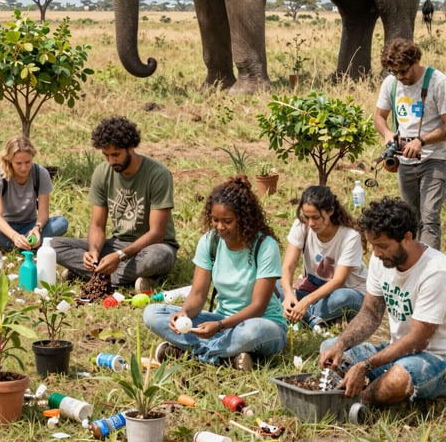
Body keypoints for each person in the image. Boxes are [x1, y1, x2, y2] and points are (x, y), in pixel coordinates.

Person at [143, 175, 287, 371]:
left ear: (244, 219)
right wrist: (184, 314)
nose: (220, 227)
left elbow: (258, 306)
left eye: (227, 221)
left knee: (252, 332)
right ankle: (226, 357)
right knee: (152, 313)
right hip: (220, 321)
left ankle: (194, 353)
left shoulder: (265, 246)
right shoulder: (210, 242)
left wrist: (219, 326)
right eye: (215, 220)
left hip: (261, 325)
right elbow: (198, 294)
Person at [319, 196, 446, 407]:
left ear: (407, 237)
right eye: (373, 245)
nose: (376, 253)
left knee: (396, 381)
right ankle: (369, 390)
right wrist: (341, 344)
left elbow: (417, 340)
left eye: (382, 246)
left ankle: (358, 399)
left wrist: (365, 366)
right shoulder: (382, 261)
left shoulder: (436, 271)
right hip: (398, 350)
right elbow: (370, 313)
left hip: (435, 358)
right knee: (330, 349)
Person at [53, 116, 177, 291]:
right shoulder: (102, 173)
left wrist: (120, 256)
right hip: (117, 244)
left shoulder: (158, 174)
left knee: (158, 257)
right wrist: (94, 251)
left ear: (131, 147)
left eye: (116, 155)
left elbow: (157, 233)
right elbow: (97, 225)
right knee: (53, 245)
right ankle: (113, 274)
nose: (111, 161)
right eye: (106, 156)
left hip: (151, 246)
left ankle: (86, 274)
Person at [374, 38, 446, 249]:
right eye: (394, 72)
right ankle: (411, 264)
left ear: (415, 61)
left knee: (430, 218)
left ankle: (429, 270)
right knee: (410, 219)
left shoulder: (437, 81)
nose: (400, 77)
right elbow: (379, 116)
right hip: (405, 162)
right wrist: (387, 134)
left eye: (403, 71)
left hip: (435, 158)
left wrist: (421, 141)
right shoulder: (392, 83)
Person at [278, 185, 367, 331]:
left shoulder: (350, 236)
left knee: (343, 298)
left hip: (346, 291)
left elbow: (338, 281)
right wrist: (288, 294)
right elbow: (287, 266)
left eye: (316, 218)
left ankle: (298, 317)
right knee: (273, 284)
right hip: (313, 288)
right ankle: (311, 319)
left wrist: (305, 302)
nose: (311, 223)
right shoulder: (302, 226)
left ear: (330, 211)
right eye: (307, 217)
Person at [0, 135, 68, 251]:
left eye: (27, 162)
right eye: (18, 163)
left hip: (30, 225)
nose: (24, 168)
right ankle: (27, 245)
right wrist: (14, 236)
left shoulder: (40, 174)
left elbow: (43, 213)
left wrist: (37, 228)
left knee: (61, 222)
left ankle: (16, 245)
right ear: (9, 160)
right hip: (3, 228)